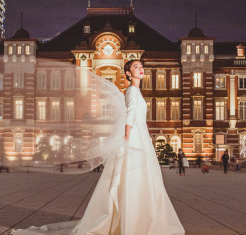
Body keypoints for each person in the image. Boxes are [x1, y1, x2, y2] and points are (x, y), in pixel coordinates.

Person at [12, 59, 185, 235]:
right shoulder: (132, 91)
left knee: (139, 178)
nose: (140, 69)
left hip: (140, 136)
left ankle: (134, 218)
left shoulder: (137, 91)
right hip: (134, 137)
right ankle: (134, 220)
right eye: (135, 67)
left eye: (141, 67)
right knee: (135, 177)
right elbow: (131, 114)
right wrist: (127, 134)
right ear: (127, 73)